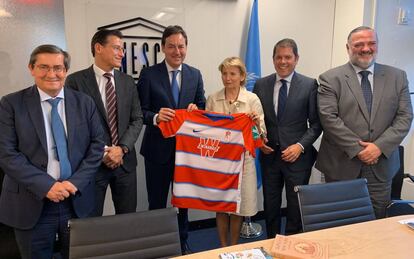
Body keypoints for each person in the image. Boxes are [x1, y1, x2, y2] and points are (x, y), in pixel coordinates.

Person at [0, 44, 104, 258]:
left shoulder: (84, 102)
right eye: (43, 67)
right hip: (32, 201)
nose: (51, 74)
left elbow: (97, 146)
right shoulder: (11, 104)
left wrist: (74, 182)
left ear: (65, 70)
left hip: (76, 200)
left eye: (58, 68)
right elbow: (7, 154)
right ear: (31, 68)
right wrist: (47, 186)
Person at [316, 26, 413, 219]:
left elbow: (405, 117)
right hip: (341, 164)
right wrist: (359, 150)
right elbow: (329, 118)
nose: (366, 48)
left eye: (371, 43)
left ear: (377, 45)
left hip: (381, 165)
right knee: (338, 218)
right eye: (359, 44)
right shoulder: (330, 78)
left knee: (376, 219)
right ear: (348, 47)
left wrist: (378, 147)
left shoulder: (398, 76)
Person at [137, 25, 205, 254]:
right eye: (172, 46)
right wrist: (156, 117)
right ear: (163, 47)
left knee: (183, 201)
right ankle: (155, 245)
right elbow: (139, 111)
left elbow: (202, 105)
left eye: (181, 46)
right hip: (157, 151)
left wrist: (197, 109)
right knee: (156, 202)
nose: (177, 51)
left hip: (186, 152)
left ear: (187, 47)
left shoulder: (195, 74)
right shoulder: (149, 74)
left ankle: (182, 241)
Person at [66, 29, 143, 216]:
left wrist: (121, 148)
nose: (122, 53)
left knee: (127, 218)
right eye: (117, 48)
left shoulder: (127, 82)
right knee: (91, 220)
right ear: (98, 48)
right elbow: (73, 126)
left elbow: (137, 118)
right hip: (92, 164)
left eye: (122, 49)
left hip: (124, 162)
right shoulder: (75, 81)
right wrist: (103, 152)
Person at [253, 38, 322, 237]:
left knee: (295, 207)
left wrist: (300, 146)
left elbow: (316, 124)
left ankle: (292, 245)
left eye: (288, 57)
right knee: (271, 205)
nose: (283, 62)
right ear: (273, 59)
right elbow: (255, 120)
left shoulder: (309, 85)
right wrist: (259, 142)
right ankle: (271, 242)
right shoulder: (261, 84)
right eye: (278, 57)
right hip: (269, 157)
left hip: (298, 158)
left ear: (296, 59)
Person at [206, 57, 266, 246]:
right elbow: (206, 131)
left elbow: (261, 135)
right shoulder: (213, 99)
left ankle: (233, 246)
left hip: (243, 161)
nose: (227, 78)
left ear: (242, 76)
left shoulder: (252, 99)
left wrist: (255, 123)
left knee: (238, 207)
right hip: (220, 162)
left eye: (232, 74)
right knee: (222, 206)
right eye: (224, 73)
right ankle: (222, 246)